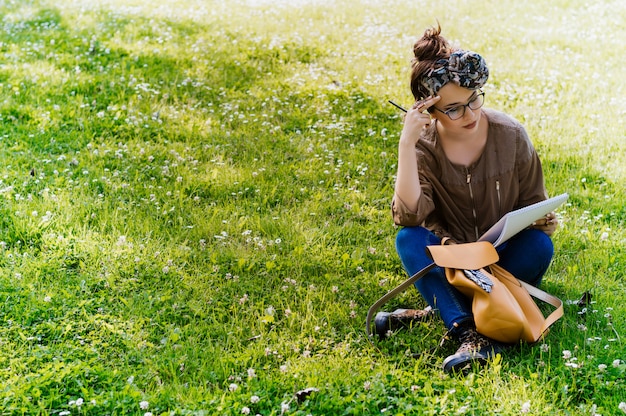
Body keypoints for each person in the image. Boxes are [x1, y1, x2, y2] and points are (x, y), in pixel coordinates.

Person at [375, 24, 559, 373]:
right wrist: (406, 145)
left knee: (539, 246)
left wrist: (543, 220)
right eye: (455, 109)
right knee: (408, 240)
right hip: (451, 259)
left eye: (474, 99)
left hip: (500, 258)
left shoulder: (512, 135)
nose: (471, 114)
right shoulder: (423, 147)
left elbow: (535, 200)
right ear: (428, 110)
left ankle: (438, 312)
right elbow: (410, 216)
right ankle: (468, 333)